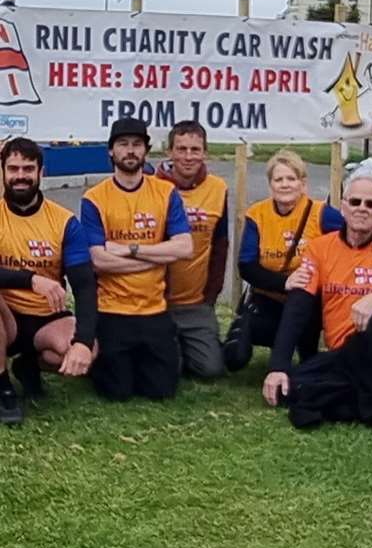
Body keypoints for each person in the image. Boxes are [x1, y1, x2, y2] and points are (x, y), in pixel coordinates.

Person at [261, 173, 372, 434]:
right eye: (355, 202)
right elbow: (297, 307)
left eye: (370, 204)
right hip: (342, 355)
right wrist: (278, 367)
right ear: (343, 207)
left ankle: (362, 397)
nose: (362, 209)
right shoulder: (320, 249)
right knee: (289, 388)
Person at [0, 138, 100, 424]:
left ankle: (28, 365)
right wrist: (31, 279)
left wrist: (83, 342)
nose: (20, 175)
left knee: (87, 351)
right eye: (13, 168)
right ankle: (4, 391)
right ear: (4, 172)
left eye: (28, 168)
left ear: (41, 173)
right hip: (4, 318)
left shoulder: (64, 221)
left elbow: (85, 285)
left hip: (47, 318)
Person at [81, 117, 194, 401]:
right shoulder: (94, 198)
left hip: (154, 309)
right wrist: (158, 257)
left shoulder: (166, 192)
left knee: (161, 391)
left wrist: (129, 249)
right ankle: (98, 351)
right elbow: (99, 261)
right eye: (123, 144)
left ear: (146, 150)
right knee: (117, 392)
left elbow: (184, 248)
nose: (130, 151)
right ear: (111, 151)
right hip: (112, 309)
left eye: (137, 145)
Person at [224, 149, 342, 371]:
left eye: (291, 178)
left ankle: (301, 358)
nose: (285, 184)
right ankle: (251, 329)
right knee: (234, 358)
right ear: (271, 185)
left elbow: (353, 236)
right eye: (279, 179)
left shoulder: (322, 213)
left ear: (303, 183)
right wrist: (284, 283)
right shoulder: (257, 214)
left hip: (309, 302)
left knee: (304, 304)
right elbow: (246, 266)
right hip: (268, 296)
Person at [159, 121, 229, 380]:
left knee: (211, 370)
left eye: (195, 150)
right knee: (169, 371)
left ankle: (193, 343)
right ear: (170, 152)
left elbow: (221, 246)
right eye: (181, 149)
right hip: (157, 302)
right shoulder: (152, 185)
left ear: (205, 153)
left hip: (196, 303)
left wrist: (210, 296)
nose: (188, 157)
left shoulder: (217, 188)